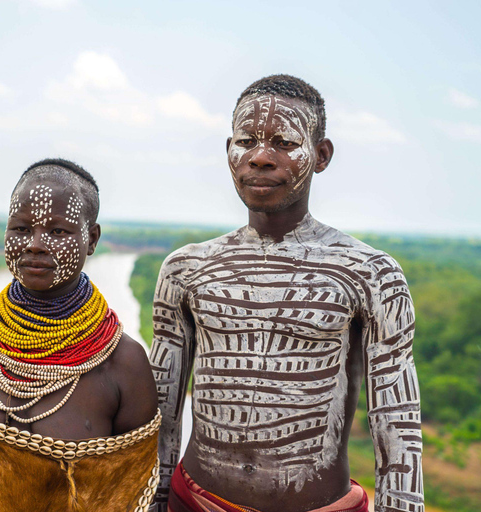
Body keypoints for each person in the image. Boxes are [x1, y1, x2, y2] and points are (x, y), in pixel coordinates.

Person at [149, 75, 423, 512]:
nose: (260, 157)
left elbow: (395, 421)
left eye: (283, 142)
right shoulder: (186, 271)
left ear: (321, 155)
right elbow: (162, 414)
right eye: (246, 141)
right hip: (193, 501)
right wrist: (156, 503)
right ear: (228, 151)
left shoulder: (370, 275)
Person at [0, 159, 160, 512]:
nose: (35, 244)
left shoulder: (122, 363)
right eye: (21, 228)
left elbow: (134, 499)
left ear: (92, 239)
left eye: (58, 232)